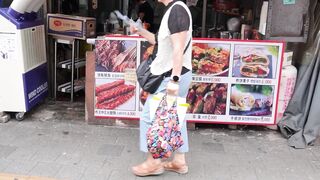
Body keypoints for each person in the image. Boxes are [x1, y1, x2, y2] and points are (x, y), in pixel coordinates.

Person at [130, 0, 192, 177]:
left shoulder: (177, 10)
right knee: (176, 117)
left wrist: (174, 80)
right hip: (174, 75)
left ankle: (153, 163)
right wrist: (140, 30)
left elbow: (178, 48)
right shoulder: (173, 9)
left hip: (171, 77)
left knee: (149, 118)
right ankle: (180, 161)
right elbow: (159, 41)